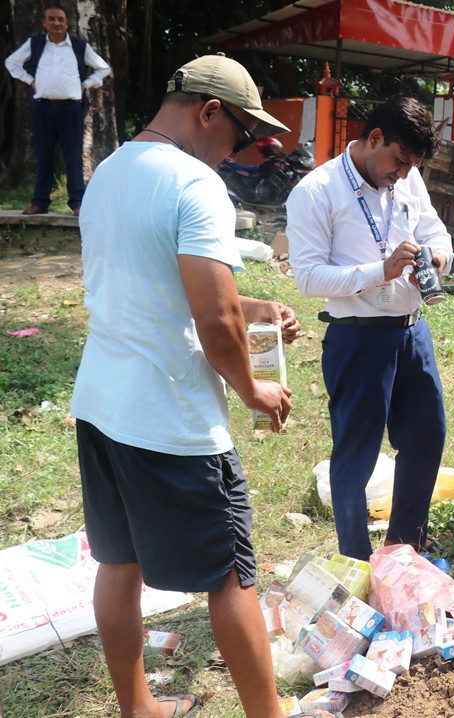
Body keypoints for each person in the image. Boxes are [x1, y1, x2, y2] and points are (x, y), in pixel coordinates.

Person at [70, 56, 330, 718]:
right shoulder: (195, 184)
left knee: (118, 563)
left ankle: (138, 707)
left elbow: (155, 284)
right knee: (232, 575)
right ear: (209, 112)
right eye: (242, 135)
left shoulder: (107, 174)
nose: (240, 152)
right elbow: (212, 320)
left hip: (102, 406)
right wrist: (252, 390)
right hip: (171, 421)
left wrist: (257, 309)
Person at [286, 95, 452, 561]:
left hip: (411, 331)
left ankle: (405, 547)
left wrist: (438, 256)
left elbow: (436, 230)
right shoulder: (316, 191)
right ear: (374, 137)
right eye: (398, 161)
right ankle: (356, 558)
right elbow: (309, 277)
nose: (401, 174)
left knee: (426, 434)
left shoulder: (408, 178)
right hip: (358, 336)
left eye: (410, 167)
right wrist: (378, 271)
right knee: (356, 453)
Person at [4, 6, 110, 216]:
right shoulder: (35, 44)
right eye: (51, 19)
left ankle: (77, 203)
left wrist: (85, 84)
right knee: (43, 155)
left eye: (60, 19)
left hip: (71, 108)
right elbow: (11, 62)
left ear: (66, 23)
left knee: (73, 157)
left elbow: (104, 68)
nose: (56, 23)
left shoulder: (78, 46)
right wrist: (30, 80)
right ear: (44, 22)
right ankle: (40, 201)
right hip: (43, 108)